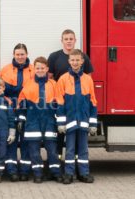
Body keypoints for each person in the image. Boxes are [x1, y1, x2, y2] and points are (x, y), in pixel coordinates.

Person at [48, 29, 94, 163]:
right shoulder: (54, 57)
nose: (69, 41)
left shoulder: (83, 57)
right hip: (60, 102)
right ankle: (57, 162)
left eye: (71, 39)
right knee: (59, 134)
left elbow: (88, 79)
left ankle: (74, 162)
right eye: (66, 39)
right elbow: (49, 79)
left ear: (75, 41)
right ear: (61, 41)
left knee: (75, 134)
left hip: (77, 102)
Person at [17, 56, 62, 183]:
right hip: (32, 121)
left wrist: (60, 121)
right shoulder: (28, 84)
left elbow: (60, 103)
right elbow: (21, 104)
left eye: (42, 68)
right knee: (34, 151)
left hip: (50, 122)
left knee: (52, 150)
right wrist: (21, 119)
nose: (40, 70)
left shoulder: (54, 84)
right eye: (37, 68)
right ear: (34, 69)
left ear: (47, 68)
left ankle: (56, 173)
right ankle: (38, 174)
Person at [56, 49, 97, 184]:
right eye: (72, 60)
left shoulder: (88, 79)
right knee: (70, 149)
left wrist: (93, 124)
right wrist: (61, 122)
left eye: (77, 60)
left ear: (82, 61)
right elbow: (60, 102)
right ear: (69, 61)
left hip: (84, 121)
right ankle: (69, 174)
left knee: (83, 149)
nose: (75, 62)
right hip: (70, 121)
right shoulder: (63, 79)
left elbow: (92, 102)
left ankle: (84, 173)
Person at [0, 43, 34, 182]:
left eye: (22, 54)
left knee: (26, 141)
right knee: (11, 141)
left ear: (27, 54)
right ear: (14, 55)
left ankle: (25, 171)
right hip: (11, 109)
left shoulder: (33, 70)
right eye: (17, 54)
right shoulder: (6, 70)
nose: (20, 57)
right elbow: (0, 90)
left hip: (29, 109)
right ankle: (12, 171)